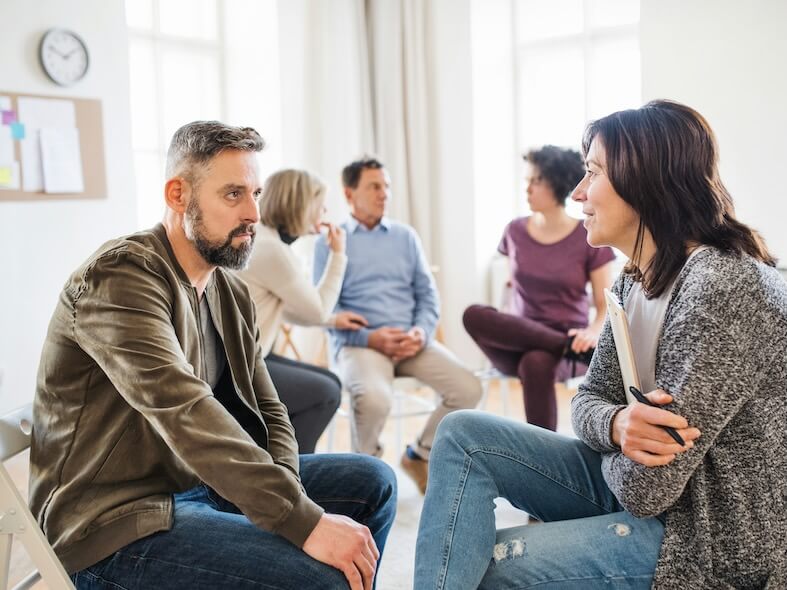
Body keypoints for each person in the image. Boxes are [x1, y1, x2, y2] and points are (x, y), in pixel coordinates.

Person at [414, 100, 787, 588]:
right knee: (462, 434)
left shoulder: (719, 288)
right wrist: (616, 424)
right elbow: (589, 401)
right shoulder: (637, 279)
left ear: (644, 182)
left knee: (491, 566)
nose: (577, 193)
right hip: (664, 497)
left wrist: (612, 432)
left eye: (592, 173)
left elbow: (647, 490)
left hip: (706, 537)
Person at [30, 121, 397, 590]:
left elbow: (270, 410)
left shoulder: (227, 289)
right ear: (178, 195)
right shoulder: (121, 278)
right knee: (316, 577)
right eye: (232, 195)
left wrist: (290, 495)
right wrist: (300, 522)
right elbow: (187, 411)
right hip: (113, 525)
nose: (253, 214)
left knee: (374, 482)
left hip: (195, 487)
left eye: (256, 194)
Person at [314, 157, 481, 494]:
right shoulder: (330, 242)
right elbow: (323, 307)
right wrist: (369, 337)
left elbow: (427, 295)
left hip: (410, 341)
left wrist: (421, 331)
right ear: (350, 195)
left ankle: (418, 454)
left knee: (469, 388)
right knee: (375, 399)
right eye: (375, 186)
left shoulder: (405, 236)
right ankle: (366, 474)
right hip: (361, 344)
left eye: (386, 186)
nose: (384, 194)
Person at [463, 145, 615, 431]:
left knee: (536, 362)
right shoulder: (514, 231)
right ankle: (563, 346)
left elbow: (604, 303)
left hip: (568, 342)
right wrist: (504, 321)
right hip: (518, 337)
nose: (527, 189)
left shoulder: (588, 235)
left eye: (536, 181)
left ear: (556, 184)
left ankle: (540, 458)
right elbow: (511, 289)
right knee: (473, 313)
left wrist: (592, 333)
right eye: (526, 182)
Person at [236, 169, 368, 453]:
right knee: (325, 393)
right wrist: (338, 255)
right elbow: (316, 311)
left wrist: (333, 320)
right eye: (319, 204)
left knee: (331, 382)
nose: (324, 212)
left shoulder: (263, 240)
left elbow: (282, 308)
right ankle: (297, 472)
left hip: (251, 356)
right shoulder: (272, 249)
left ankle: (282, 457)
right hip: (241, 367)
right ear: (301, 206)